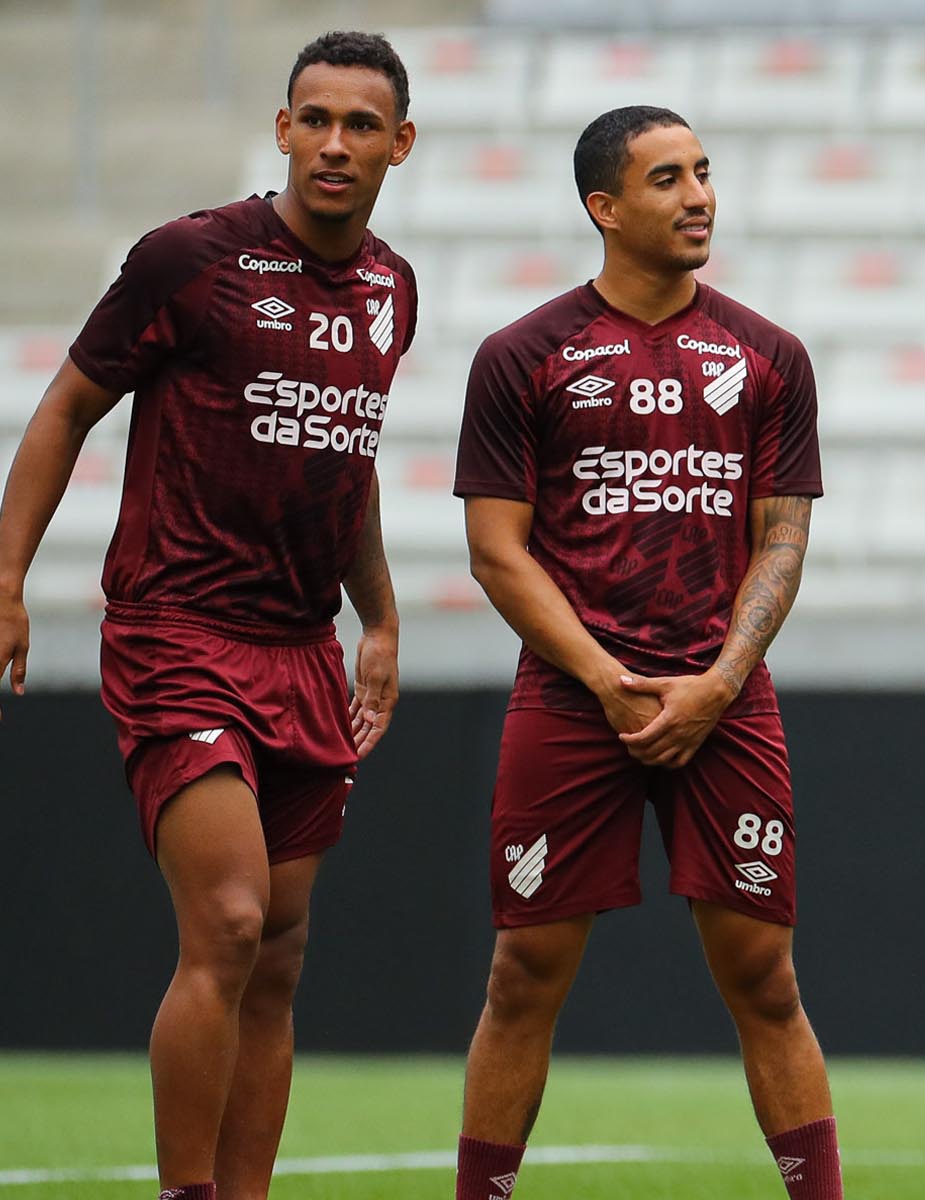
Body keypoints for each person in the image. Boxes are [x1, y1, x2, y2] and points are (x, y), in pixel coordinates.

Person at [0, 31, 414, 1200]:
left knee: (277, 957)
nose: (334, 143)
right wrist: (7, 578)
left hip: (302, 650)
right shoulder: (188, 259)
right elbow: (65, 407)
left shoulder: (392, 288)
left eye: (361, 124)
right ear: (282, 128)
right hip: (177, 632)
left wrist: (379, 620)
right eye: (315, 118)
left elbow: (345, 456)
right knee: (230, 922)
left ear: (399, 144)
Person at [449, 105, 839, 1200]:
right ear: (604, 208)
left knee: (766, 978)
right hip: (574, 698)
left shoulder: (770, 356)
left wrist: (718, 683)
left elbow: (783, 540)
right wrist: (604, 679)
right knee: (523, 975)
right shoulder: (521, 357)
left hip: (726, 697)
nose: (700, 196)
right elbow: (495, 551)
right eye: (668, 179)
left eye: (705, 172)